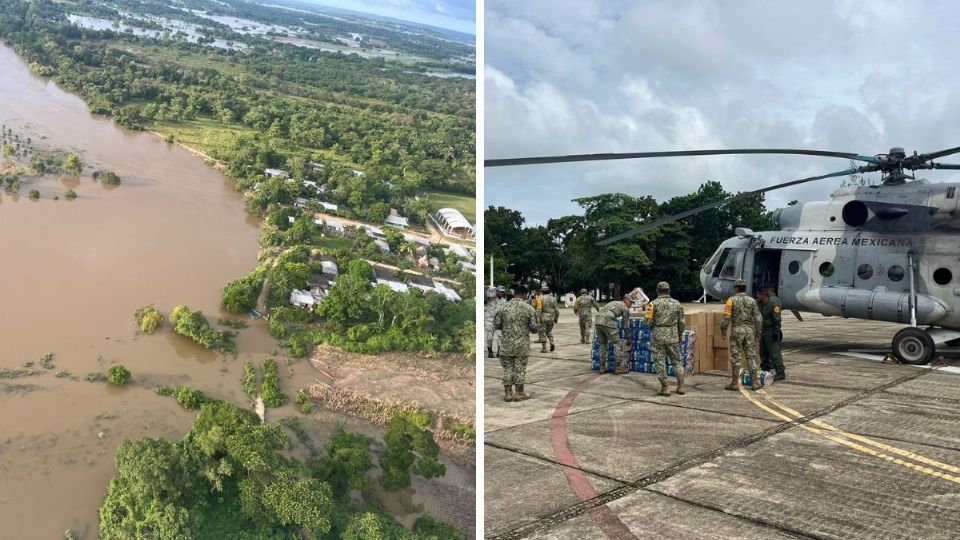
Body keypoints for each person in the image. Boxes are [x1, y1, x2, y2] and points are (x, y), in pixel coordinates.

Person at [494, 285, 541, 401]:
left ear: (514, 294)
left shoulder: (503, 307)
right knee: (520, 369)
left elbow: (497, 325)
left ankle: (508, 393)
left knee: (508, 369)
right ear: (525, 294)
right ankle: (519, 393)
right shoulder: (529, 308)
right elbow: (534, 329)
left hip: (506, 345)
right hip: (522, 345)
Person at [720, 279, 763, 390]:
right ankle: (755, 382)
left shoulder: (731, 300)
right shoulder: (752, 301)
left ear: (736, 288)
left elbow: (726, 317)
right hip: (749, 331)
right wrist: (758, 331)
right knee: (751, 356)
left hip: (737, 331)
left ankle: (734, 383)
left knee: (736, 357)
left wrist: (723, 331)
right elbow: (758, 318)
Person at [645, 281, 685, 396]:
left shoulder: (652, 304)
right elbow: (681, 322)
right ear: (669, 291)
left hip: (658, 336)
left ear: (657, 291)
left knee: (660, 361)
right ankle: (681, 386)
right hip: (673, 335)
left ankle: (665, 387)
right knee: (677, 360)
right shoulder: (677, 304)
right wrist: (680, 333)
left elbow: (648, 322)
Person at [594, 294, 633, 374]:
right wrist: (628, 338)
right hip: (607, 320)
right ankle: (618, 368)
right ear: (626, 300)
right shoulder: (625, 308)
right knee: (616, 344)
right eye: (631, 302)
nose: (631, 305)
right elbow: (625, 325)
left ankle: (602, 367)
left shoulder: (614, 302)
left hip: (597, 320)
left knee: (603, 344)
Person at [757, 288, 786, 380]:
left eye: (758, 295)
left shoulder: (773, 302)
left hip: (771, 329)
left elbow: (777, 319)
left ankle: (780, 372)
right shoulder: (760, 303)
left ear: (763, 295)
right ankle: (765, 370)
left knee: (774, 352)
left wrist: (776, 331)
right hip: (763, 330)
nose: (757, 296)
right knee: (763, 351)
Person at [536, 285, 559, 352]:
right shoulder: (553, 298)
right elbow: (556, 309)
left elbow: (538, 309)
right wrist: (556, 318)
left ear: (542, 291)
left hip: (543, 318)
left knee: (542, 332)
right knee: (549, 331)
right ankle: (551, 342)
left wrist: (537, 317)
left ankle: (544, 348)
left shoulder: (539, 298)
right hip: (551, 318)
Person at [483, 288, 501, 358]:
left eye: (493, 292)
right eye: (490, 293)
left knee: (500, 336)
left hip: (498, 321)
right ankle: (490, 351)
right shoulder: (486, 300)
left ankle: (499, 352)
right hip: (489, 320)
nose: (491, 294)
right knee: (489, 337)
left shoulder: (500, 300)